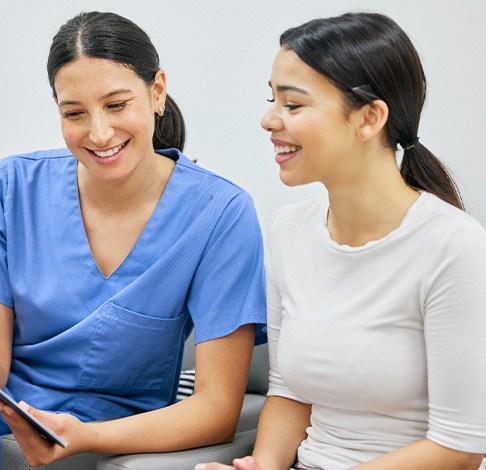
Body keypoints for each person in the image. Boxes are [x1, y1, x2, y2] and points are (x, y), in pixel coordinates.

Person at [0, 11, 267, 469]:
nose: (99, 133)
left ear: (157, 91)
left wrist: (87, 437)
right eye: (74, 113)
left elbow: (217, 411)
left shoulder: (220, 214)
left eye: (116, 104)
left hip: (95, 421)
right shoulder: (8, 187)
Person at [198, 11, 486, 470]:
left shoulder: (455, 247)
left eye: (292, 105)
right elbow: (290, 392)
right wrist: (264, 466)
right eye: (272, 100)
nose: (268, 120)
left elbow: (460, 449)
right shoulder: (289, 229)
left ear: (369, 117)